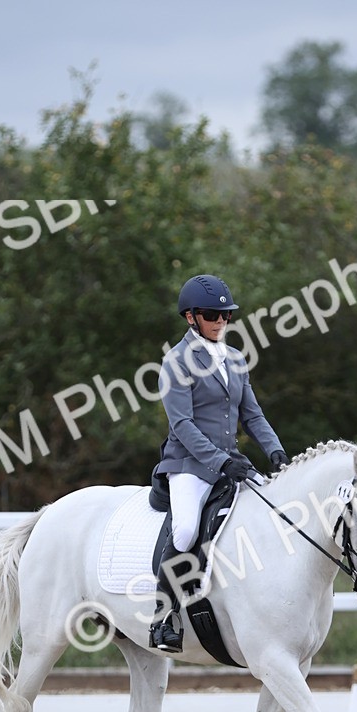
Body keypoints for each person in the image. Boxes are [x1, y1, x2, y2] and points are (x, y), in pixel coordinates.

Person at [149, 273, 289, 653]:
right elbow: (182, 426)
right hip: (188, 465)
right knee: (185, 531)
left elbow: (253, 415)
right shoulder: (176, 362)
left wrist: (274, 450)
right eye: (213, 315)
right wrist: (221, 462)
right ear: (191, 317)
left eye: (226, 315)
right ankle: (164, 616)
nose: (221, 322)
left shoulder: (235, 359)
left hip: (231, 460)